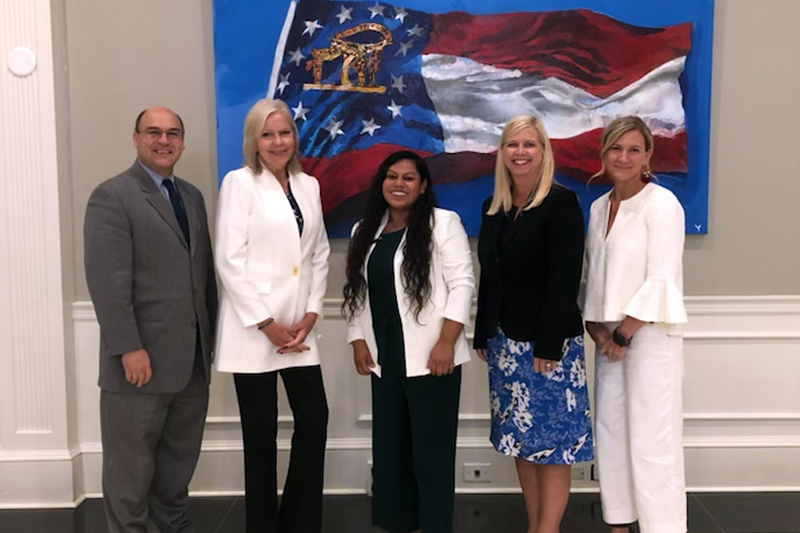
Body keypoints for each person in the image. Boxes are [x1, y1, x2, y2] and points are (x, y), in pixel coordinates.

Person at [84, 107, 218, 533]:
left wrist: (210, 345)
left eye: (173, 133)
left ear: (182, 141)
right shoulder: (112, 196)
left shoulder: (192, 197)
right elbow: (108, 283)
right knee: (130, 477)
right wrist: (128, 347)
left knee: (176, 476)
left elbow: (202, 277)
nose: (165, 141)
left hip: (191, 366)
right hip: (138, 365)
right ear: (136, 138)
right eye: (154, 132)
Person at [213, 98, 330, 533]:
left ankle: (299, 522)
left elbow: (318, 254)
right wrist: (266, 324)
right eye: (267, 134)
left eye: (284, 133)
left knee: (314, 419)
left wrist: (313, 312)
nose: (278, 142)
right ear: (254, 141)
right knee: (260, 437)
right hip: (255, 331)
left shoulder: (310, 185)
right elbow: (229, 259)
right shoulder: (239, 183)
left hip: (300, 329)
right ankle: (261, 525)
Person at [342, 151, 474, 533]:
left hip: (432, 357)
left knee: (431, 454)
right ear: (381, 182)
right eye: (391, 176)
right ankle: (397, 523)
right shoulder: (363, 230)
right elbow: (357, 292)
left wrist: (447, 342)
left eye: (409, 178)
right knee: (391, 449)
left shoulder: (442, 223)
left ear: (423, 186)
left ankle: (434, 526)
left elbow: (463, 284)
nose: (399, 184)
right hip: (383, 356)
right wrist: (357, 339)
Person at [473, 115, 594, 533]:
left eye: (530, 144)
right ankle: (534, 524)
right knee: (521, 440)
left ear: (544, 152)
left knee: (555, 445)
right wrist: (482, 331)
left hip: (549, 345)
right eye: (513, 144)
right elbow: (490, 276)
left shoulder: (561, 204)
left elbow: (565, 280)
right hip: (505, 343)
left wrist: (548, 344)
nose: (520, 152)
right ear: (502, 153)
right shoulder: (494, 210)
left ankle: (549, 528)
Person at [583, 116, 688, 533]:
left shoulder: (661, 205)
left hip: (649, 336)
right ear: (604, 154)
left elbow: (660, 277)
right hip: (609, 337)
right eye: (615, 148)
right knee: (611, 431)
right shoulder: (597, 207)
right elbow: (593, 276)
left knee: (653, 436)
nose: (622, 157)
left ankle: (663, 526)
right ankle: (619, 520)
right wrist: (600, 332)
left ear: (647, 156)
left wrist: (624, 333)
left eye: (632, 150)